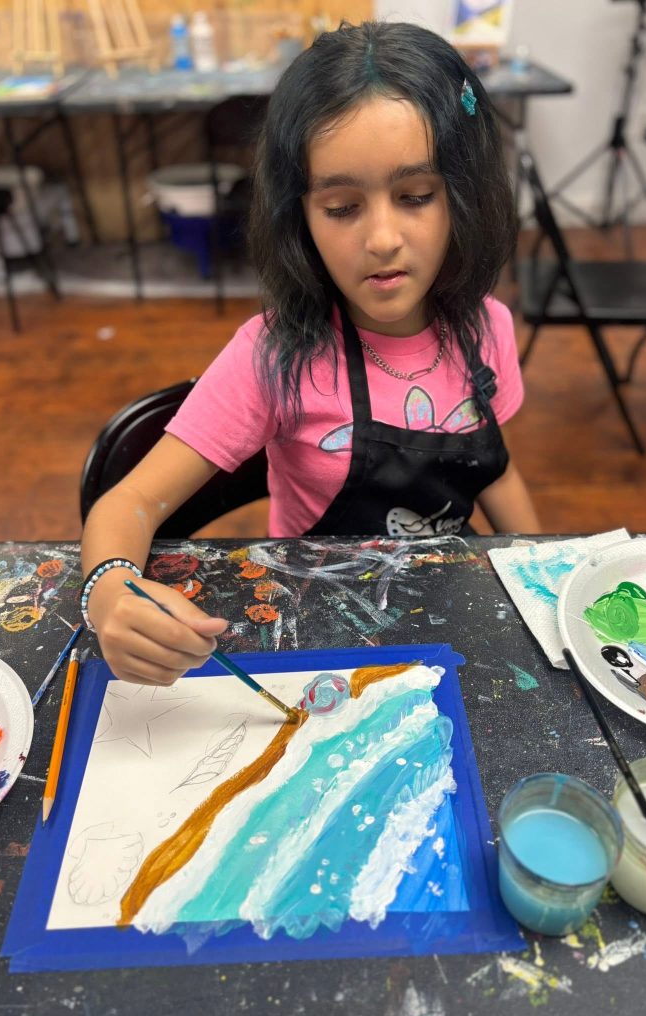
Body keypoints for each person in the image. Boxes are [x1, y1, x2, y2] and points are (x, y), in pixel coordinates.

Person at [80, 20, 541, 686]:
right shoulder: (273, 358)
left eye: (415, 197)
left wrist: (536, 573)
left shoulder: (487, 328)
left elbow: (493, 471)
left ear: (463, 198)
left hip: (455, 617)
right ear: (300, 216)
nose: (382, 237)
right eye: (343, 207)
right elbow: (126, 506)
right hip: (323, 632)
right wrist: (110, 591)